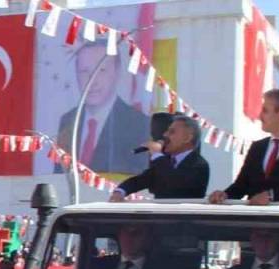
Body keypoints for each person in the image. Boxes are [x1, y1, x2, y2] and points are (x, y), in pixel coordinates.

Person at [55, 43, 149, 176]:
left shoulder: (138, 124)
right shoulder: (68, 120)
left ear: (117, 72)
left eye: (102, 71)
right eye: (84, 72)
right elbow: (59, 174)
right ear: (76, 74)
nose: (92, 81)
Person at [111, 115, 210, 201]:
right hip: (160, 219)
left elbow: (173, 182)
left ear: (187, 138)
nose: (165, 135)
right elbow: (141, 180)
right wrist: (120, 191)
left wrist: (156, 154)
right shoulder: (166, 161)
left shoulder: (199, 165)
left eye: (172, 132)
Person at [85, 223, 165, 269]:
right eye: (125, 232)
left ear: (148, 239)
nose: (129, 238)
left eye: (136, 233)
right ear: (119, 236)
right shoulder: (98, 265)